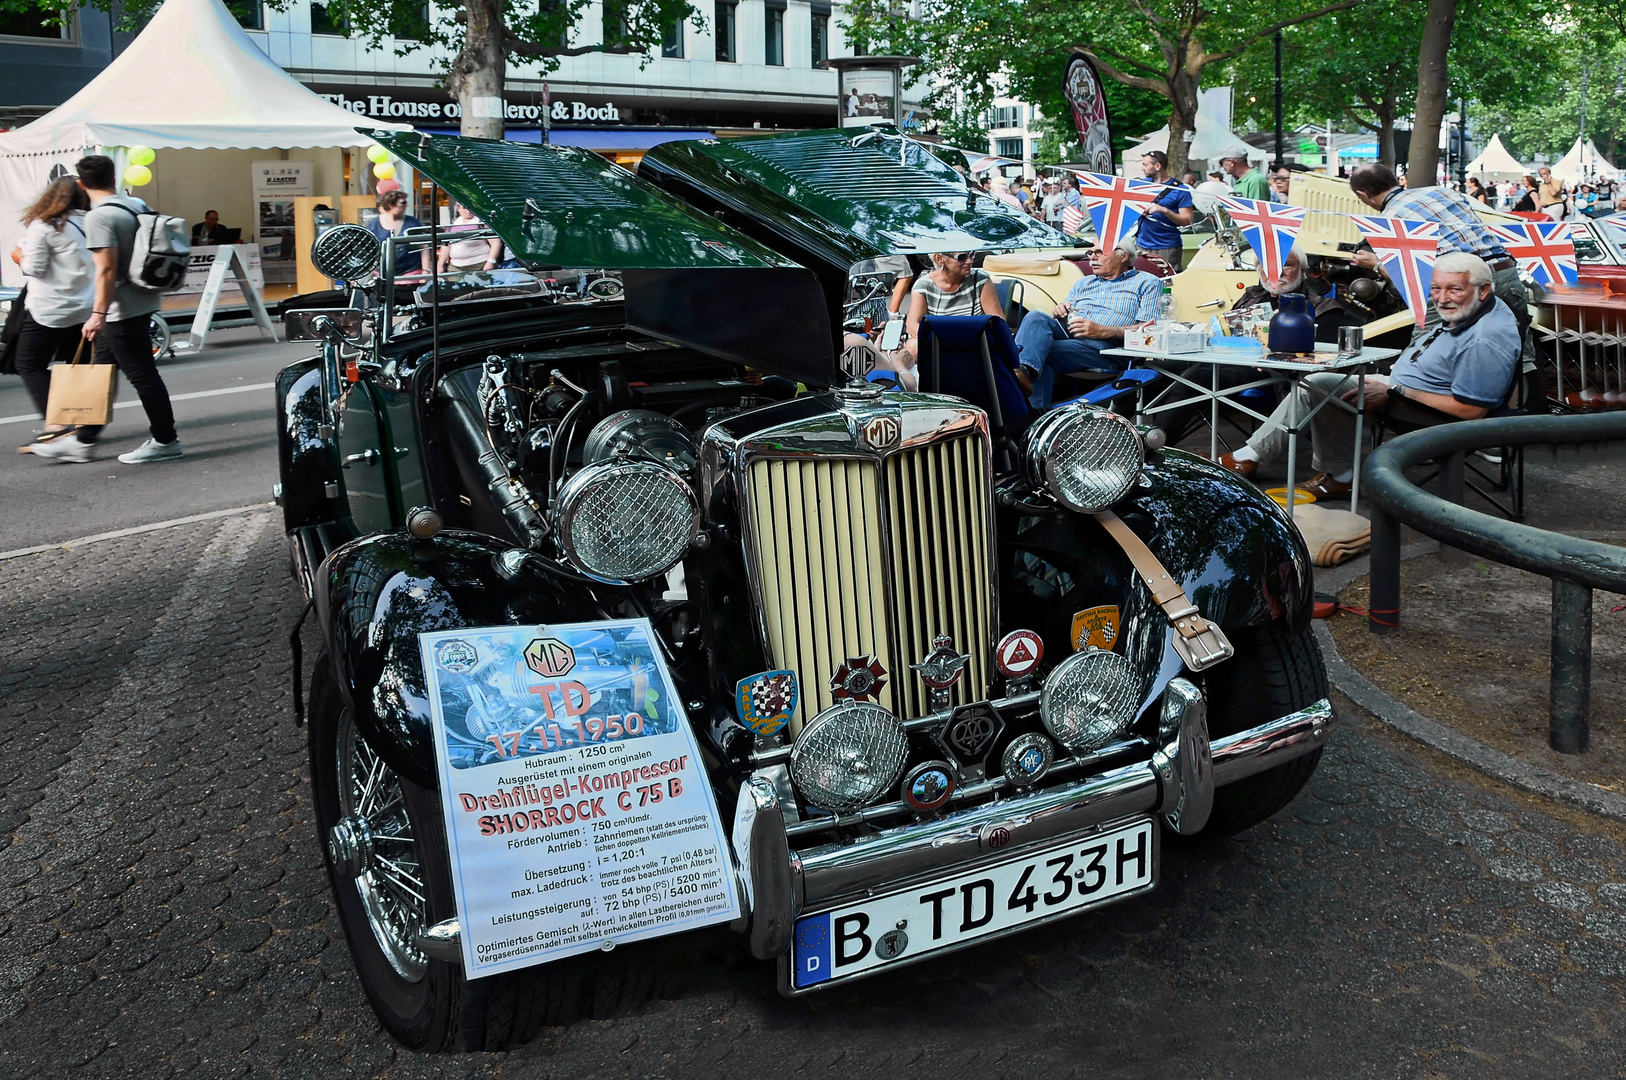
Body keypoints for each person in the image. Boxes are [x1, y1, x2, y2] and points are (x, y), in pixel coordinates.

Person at [1216, 253, 1520, 498]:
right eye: (1436, 289)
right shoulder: (1475, 310)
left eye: (1454, 289)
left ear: (1483, 290)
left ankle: (1322, 472)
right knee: (1319, 380)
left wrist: (1396, 391)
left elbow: (1469, 410)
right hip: (1403, 390)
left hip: (1425, 411)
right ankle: (1309, 468)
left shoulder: (1485, 337)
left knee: (1321, 385)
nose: (1441, 299)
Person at [30, 155, 182, 464]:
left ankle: (165, 440)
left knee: (141, 374)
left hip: (119, 308)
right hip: (141, 299)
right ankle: (83, 441)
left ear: (83, 184)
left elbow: (106, 271)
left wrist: (97, 314)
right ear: (114, 178)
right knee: (101, 372)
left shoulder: (98, 217)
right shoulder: (134, 204)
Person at [1346, 162, 1528, 349]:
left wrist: (1375, 263)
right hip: (1503, 270)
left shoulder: (1388, 221)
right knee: (1519, 349)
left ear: (1363, 195)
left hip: (1457, 286)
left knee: (1421, 354)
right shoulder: (1443, 192)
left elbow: (1411, 277)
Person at [1012, 238, 1162, 408]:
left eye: (1099, 252)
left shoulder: (1147, 282)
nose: (1092, 257)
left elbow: (1148, 330)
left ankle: (1029, 412)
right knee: (1035, 317)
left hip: (1108, 348)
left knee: (1041, 354)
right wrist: (1061, 308)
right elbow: (1066, 308)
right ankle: (1022, 372)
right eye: (1090, 253)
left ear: (1123, 256)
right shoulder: (1084, 282)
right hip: (1071, 332)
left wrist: (1104, 331)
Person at [12, 175, 93, 452]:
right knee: (78, 365)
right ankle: (83, 426)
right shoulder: (90, 222)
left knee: (29, 363)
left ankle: (58, 424)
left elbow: (34, 267)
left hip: (50, 307)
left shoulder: (43, 225)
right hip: (86, 306)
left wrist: (19, 257)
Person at [1230, 250, 1358, 343]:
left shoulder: (1323, 310)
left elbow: (1324, 362)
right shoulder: (1249, 298)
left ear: (1302, 271)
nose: (1277, 272)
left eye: (1286, 265)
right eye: (1268, 266)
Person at [1134, 150, 1194, 270]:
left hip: (1167, 246)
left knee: (1167, 282)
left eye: (1145, 165)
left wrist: (1164, 210)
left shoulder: (1180, 189)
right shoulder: (1141, 185)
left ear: (1157, 166)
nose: (1142, 168)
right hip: (1141, 244)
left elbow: (1187, 220)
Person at [365, 190, 433, 278]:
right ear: (391, 205)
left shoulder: (412, 223)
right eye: (403, 203)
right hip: (381, 274)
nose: (407, 205)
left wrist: (426, 271)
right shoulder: (373, 224)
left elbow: (424, 247)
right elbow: (367, 251)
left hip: (410, 273)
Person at [437, 202, 502, 274]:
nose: (468, 211)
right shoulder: (453, 223)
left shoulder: (481, 222)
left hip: (480, 264)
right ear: (458, 209)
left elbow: (495, 242)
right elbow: (446, 246)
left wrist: (491, 261)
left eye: (470, 207)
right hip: (456, 266)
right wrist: (440, 265)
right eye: (464, 208)